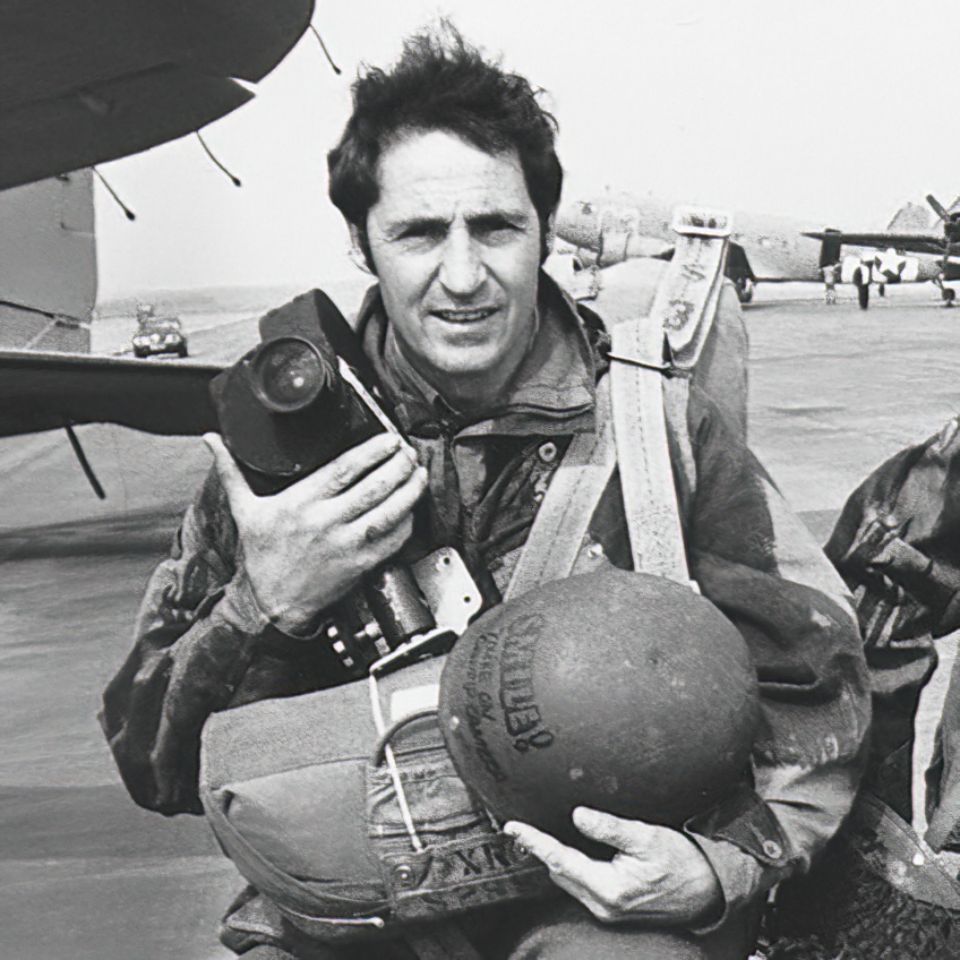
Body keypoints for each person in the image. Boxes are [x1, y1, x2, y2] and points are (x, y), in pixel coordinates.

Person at [100, 27, 870, 960]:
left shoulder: (655, 426)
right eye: (420, 233)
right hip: (364, 902)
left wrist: (721, 868)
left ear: (545, 229)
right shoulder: (282, 472)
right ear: (360, 240)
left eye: (496, 228)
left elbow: (816, 677)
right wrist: (265, 602)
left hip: (593, 903)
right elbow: (157, 767)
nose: (462, 277)